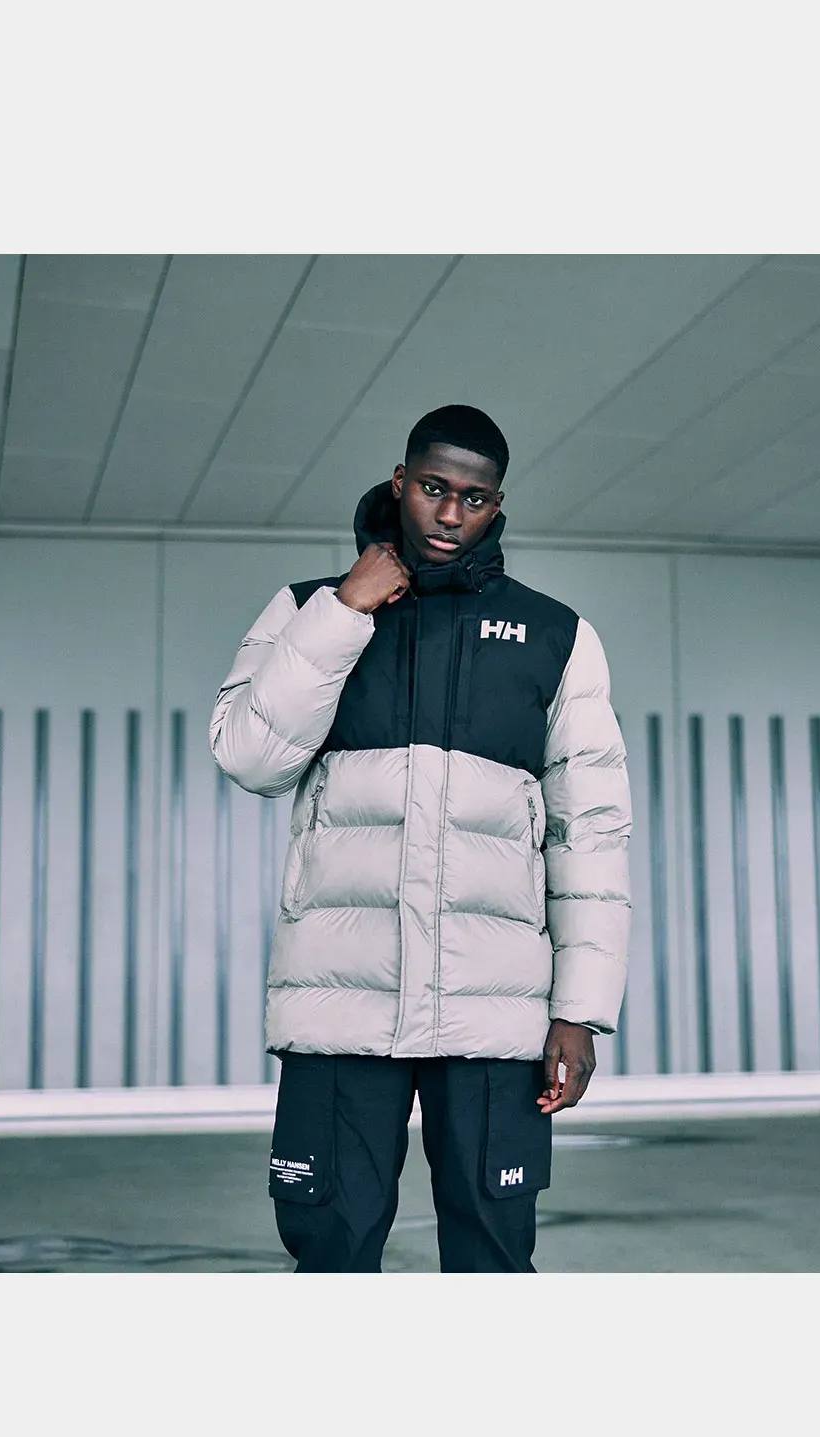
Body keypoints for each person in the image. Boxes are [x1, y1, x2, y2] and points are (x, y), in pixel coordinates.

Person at [208, 403, 632, 1272]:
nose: (449, 514)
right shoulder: (307, 608)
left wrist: (579, 1011)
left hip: (492, 1014)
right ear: (400, 482)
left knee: (492, 1258)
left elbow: (589, 834)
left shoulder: (555, 635)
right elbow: (250, 756)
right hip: (342, 1007)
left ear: (497, 506)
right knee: (330, 1253)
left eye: (473, 498)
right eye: (434, 488)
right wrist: (344, 611)